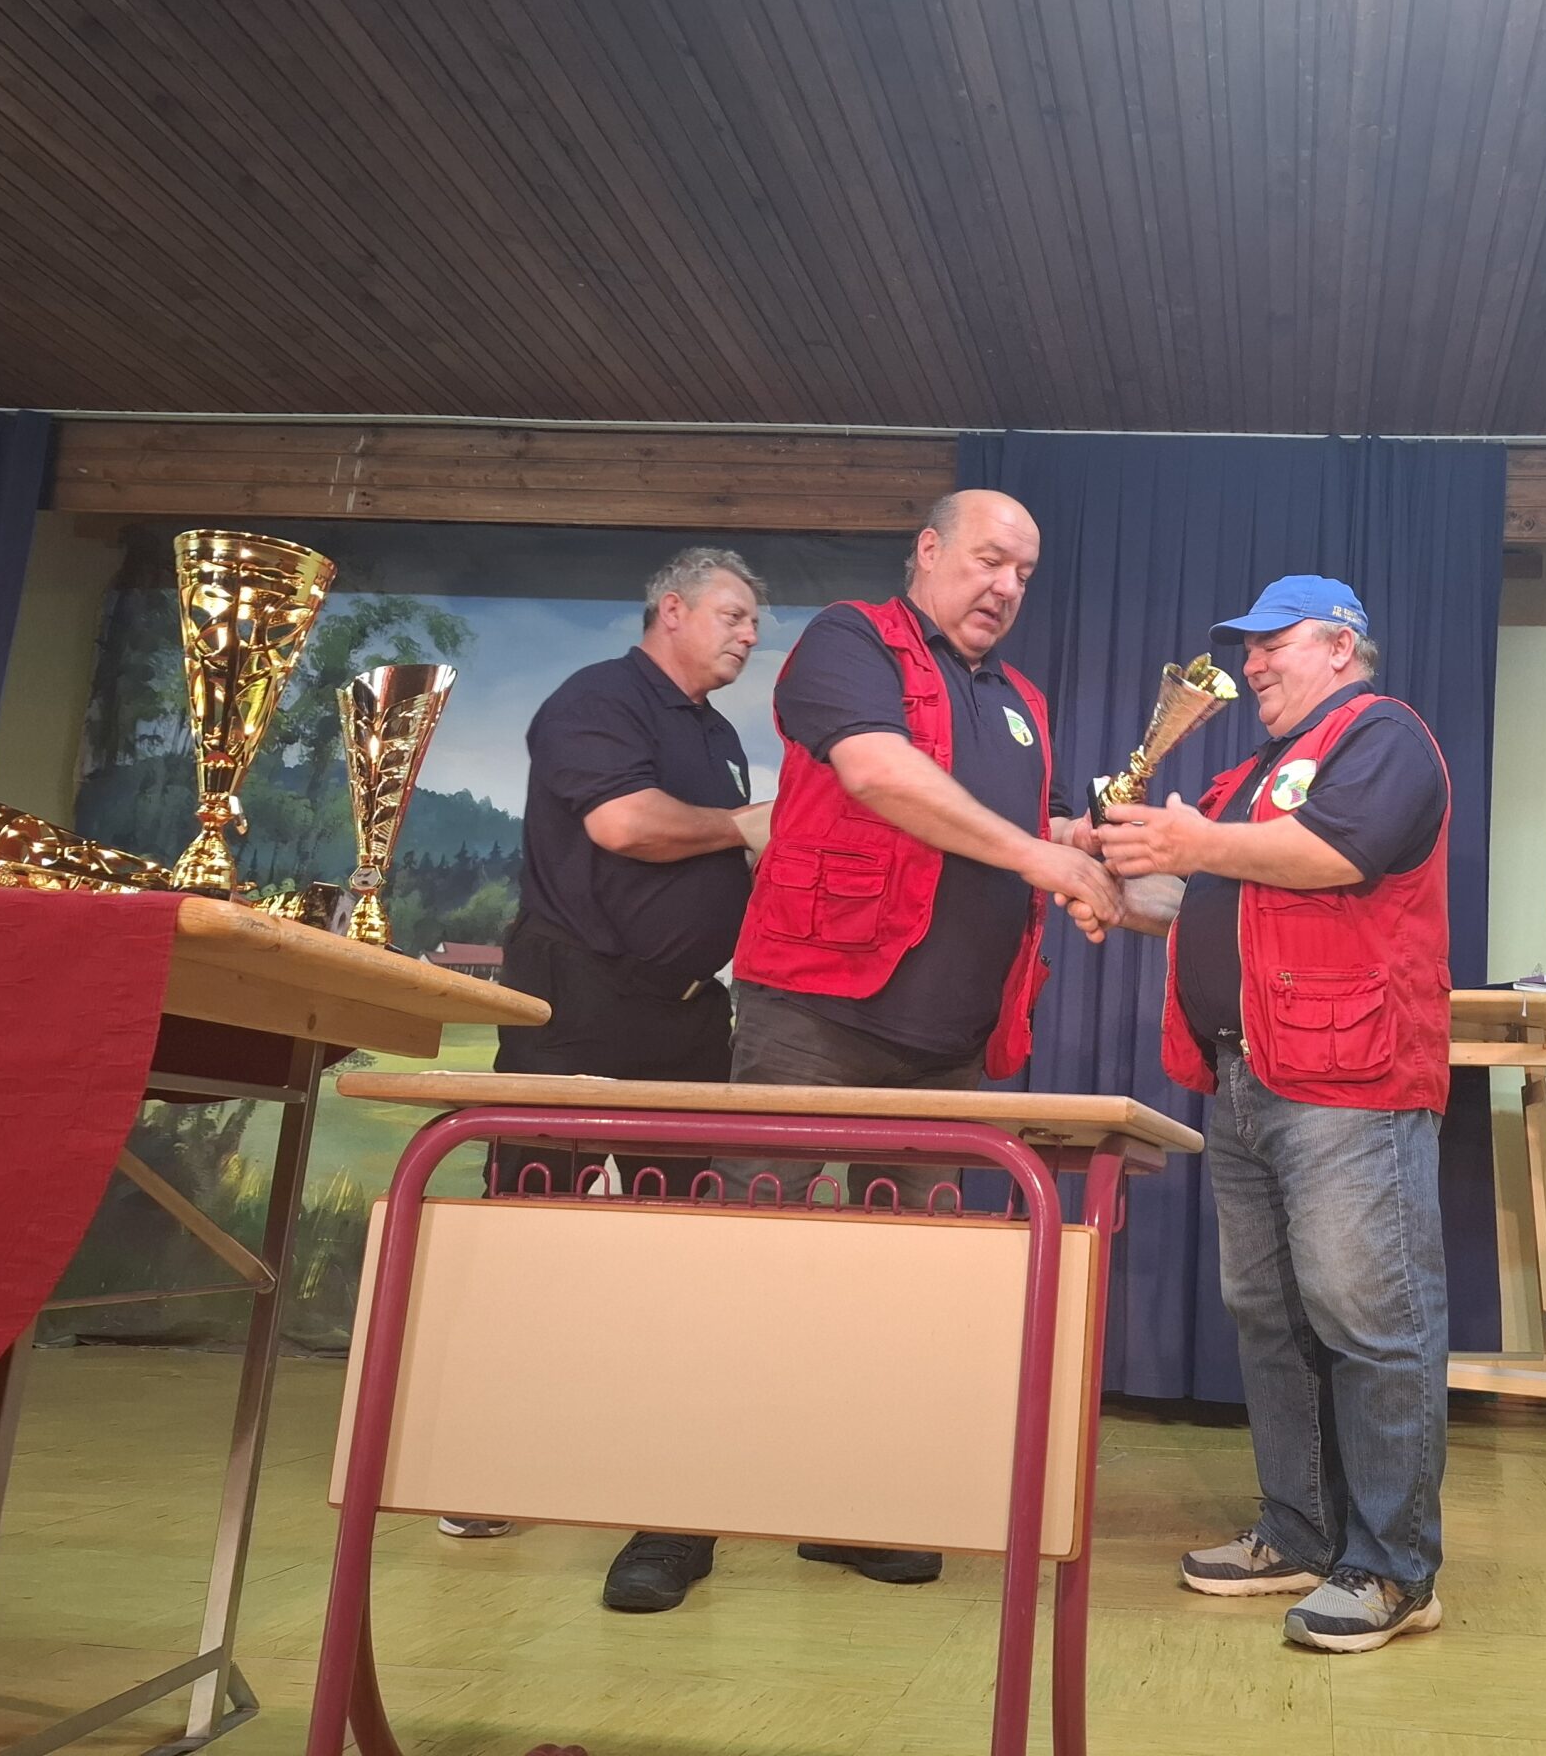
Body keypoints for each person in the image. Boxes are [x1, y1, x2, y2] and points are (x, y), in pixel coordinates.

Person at [596, 488, 1121, 1615]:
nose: (1006, 588)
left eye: (1024, 573)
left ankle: (851, 1505)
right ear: (927, 552)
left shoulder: (1020, 702)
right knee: (750, 1270)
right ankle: (675, 1518)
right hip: (816, 1020)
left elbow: (1020, 832)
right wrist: (1043, 859)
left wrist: (1091, 847)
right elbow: (879, 774)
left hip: (949, 1048)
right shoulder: (850, 642)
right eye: (988, 559)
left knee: (904, 1296)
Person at [1089, 575, 1453, 1654]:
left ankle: (1395, 1570)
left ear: (1340, 645)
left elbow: (1334, 856)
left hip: (1348, 1077)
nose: (1250, 664)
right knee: (1271, 1315)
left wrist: (1189, 843)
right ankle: (1299, 1533)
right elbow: (1206, 900)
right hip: (1248, 1073)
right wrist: (1114, 882)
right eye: (1243, 647)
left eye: (1271, 643)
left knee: (1370, 1318)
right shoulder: (1251, 772)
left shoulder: (1381, 735)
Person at [454, 548, 770, 1587]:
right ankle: (482, 1462)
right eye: (732, 614)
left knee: (685, 1247)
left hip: (687, 1018)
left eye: (754, 622)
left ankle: (660, 1478)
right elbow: (623, 824)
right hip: (577, 1006)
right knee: (527, 1231)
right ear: (671, 609)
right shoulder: (597, 700)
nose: (748, 634)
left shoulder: (719, 736)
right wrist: (743, 826)